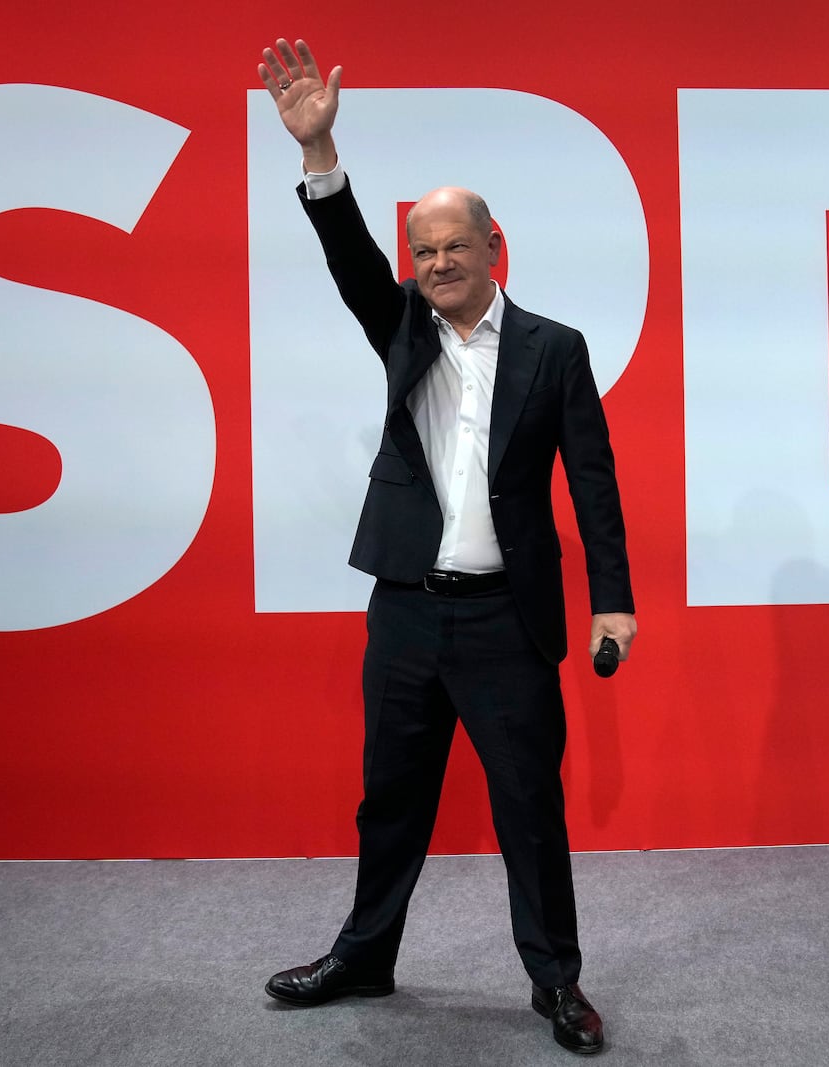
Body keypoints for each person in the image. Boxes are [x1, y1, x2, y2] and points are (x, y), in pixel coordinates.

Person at [256, 38, 637, 1056]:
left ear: (492, 246)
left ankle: (556, 983)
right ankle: (365, 954)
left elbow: (590, 479)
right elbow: (349, 260)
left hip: (508, 618)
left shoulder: (555, 349)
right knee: (389, 798)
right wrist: (319, 152)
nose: (433, 266)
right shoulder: (403, 331)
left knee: (528, 809)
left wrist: (613, 596)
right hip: (407, 610)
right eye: (420, 251)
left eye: (450, 248)